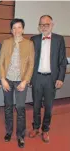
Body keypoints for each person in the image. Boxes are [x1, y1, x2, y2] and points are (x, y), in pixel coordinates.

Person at [28, 15, 67, 143]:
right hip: (37, 78)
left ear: (52, 25)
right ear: (39, 26)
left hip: (51, 79)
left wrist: (61, 78)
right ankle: (36, 127)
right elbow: (29, 61)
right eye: (41, 25)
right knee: (36, 106)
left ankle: (45, 129)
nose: (44, 27)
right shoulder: (33, 39)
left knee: (49, 107)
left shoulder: (59, 39)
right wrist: (28, 77)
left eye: (46, 24)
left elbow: (62, 61)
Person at [0, 18, 34, 148]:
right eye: (14, 28)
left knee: (20, 108)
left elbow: (31, 64)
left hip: (21, 81)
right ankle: (9, 131)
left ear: (23, 29)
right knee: (8, 107)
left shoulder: (29, 44)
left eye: (19, 27)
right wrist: (3, 79)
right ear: (11, 30)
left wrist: (25, 81)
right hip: (7, 80)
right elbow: (1, 62)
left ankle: (20, 135)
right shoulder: (6, 42)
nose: (17, 30)